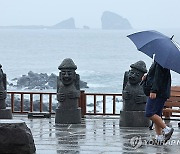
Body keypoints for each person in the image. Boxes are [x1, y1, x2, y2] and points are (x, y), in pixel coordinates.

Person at [144, 61, 174, 144]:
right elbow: (156, 76)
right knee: (157, 115)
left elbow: (158, 78)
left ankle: (167, 129)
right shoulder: (162, 63)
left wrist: (154, 90)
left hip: (157, 93)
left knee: (149, 113)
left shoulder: (160, 63)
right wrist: (146, 77)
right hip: (161, 93)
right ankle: (159, 137)